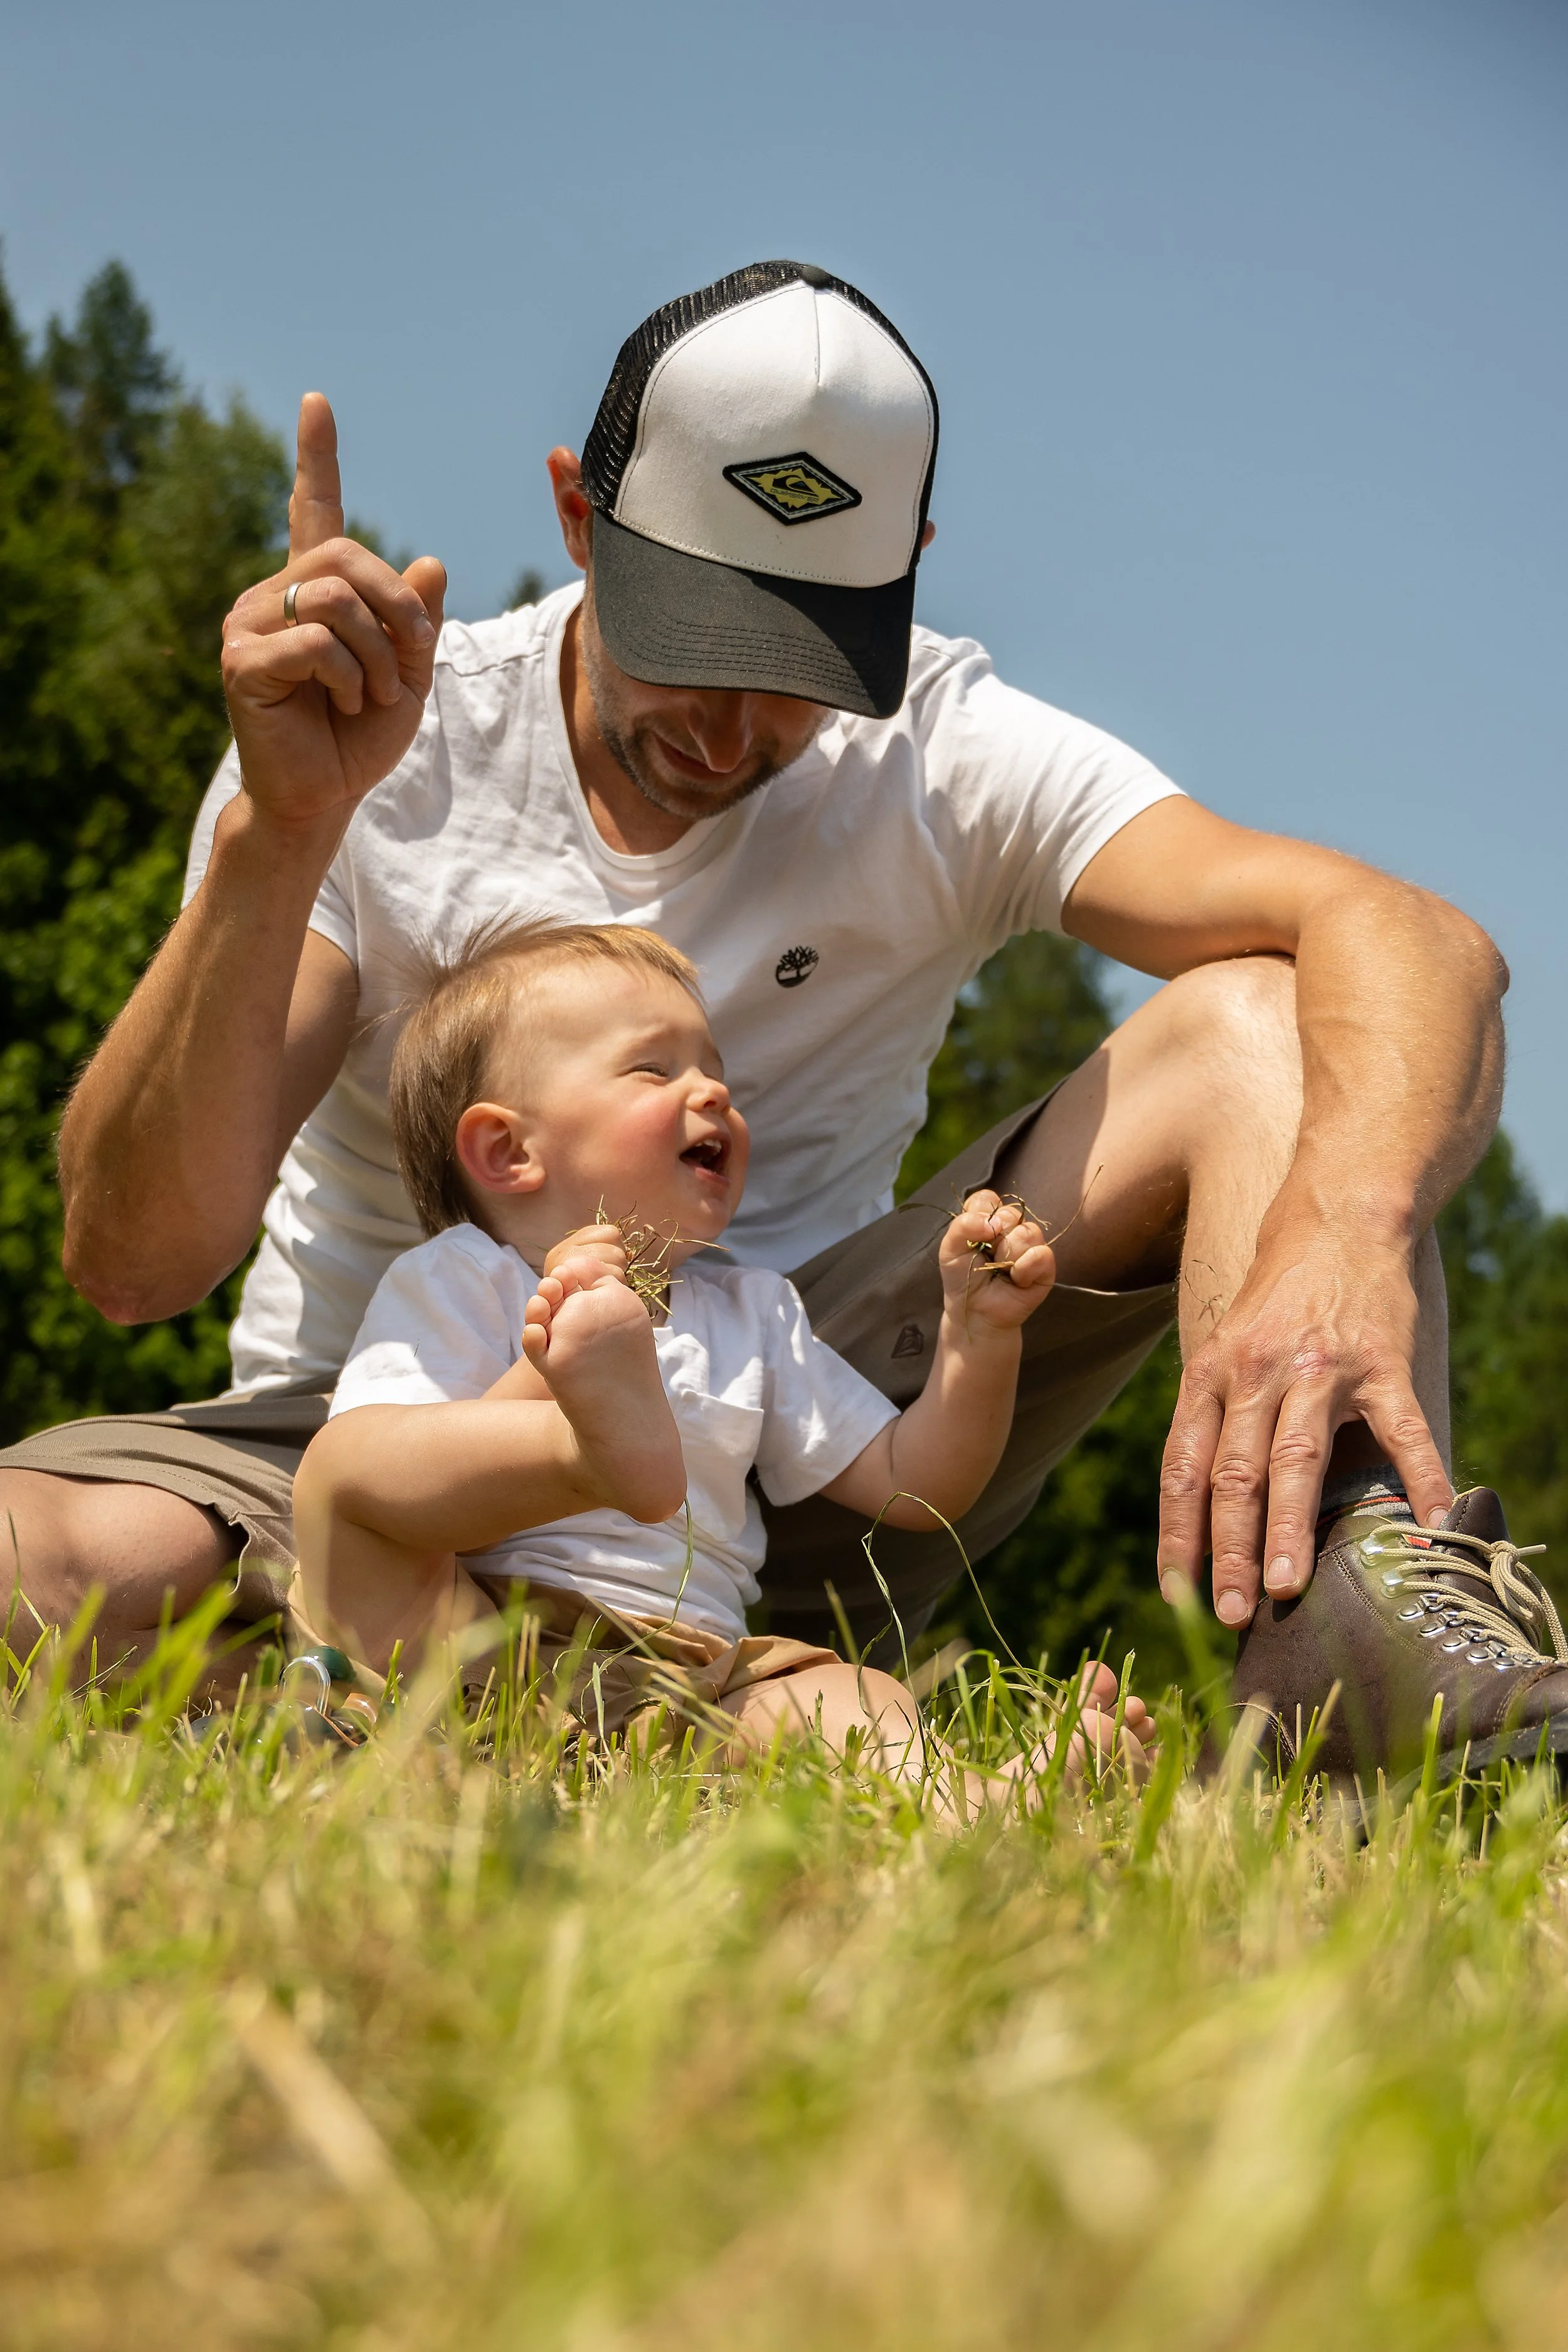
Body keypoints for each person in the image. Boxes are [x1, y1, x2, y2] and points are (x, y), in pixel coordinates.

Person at [2, 257, 1545, 1772]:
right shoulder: (380, 748)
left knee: (1259, 1023)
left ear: (905, 570)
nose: (735, 731)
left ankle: (1361, 1650)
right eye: (696, 646)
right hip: (362, 1458)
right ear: (578, 519)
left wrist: (1339, 1231)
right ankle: (414, 1702)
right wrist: (280, 839)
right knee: (32, 1560)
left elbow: (1408, 937)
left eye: (800, 663)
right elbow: (135, 1262)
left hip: (770, 1471)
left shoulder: (940, 752)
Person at [289, 914, 1151, 1789]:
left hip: (698, 1680)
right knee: (339, 1486)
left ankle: (977, 1800)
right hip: (481, 1639)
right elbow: (399, 1482)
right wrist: (553, 1374)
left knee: (850, 1694)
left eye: (716, 1072)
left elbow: (917, 1485)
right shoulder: (461, 1279)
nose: (713, 1095)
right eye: (654, 1068)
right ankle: (582, 1449)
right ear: (509, 1150)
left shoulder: (752, 1313)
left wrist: (979, 1336)